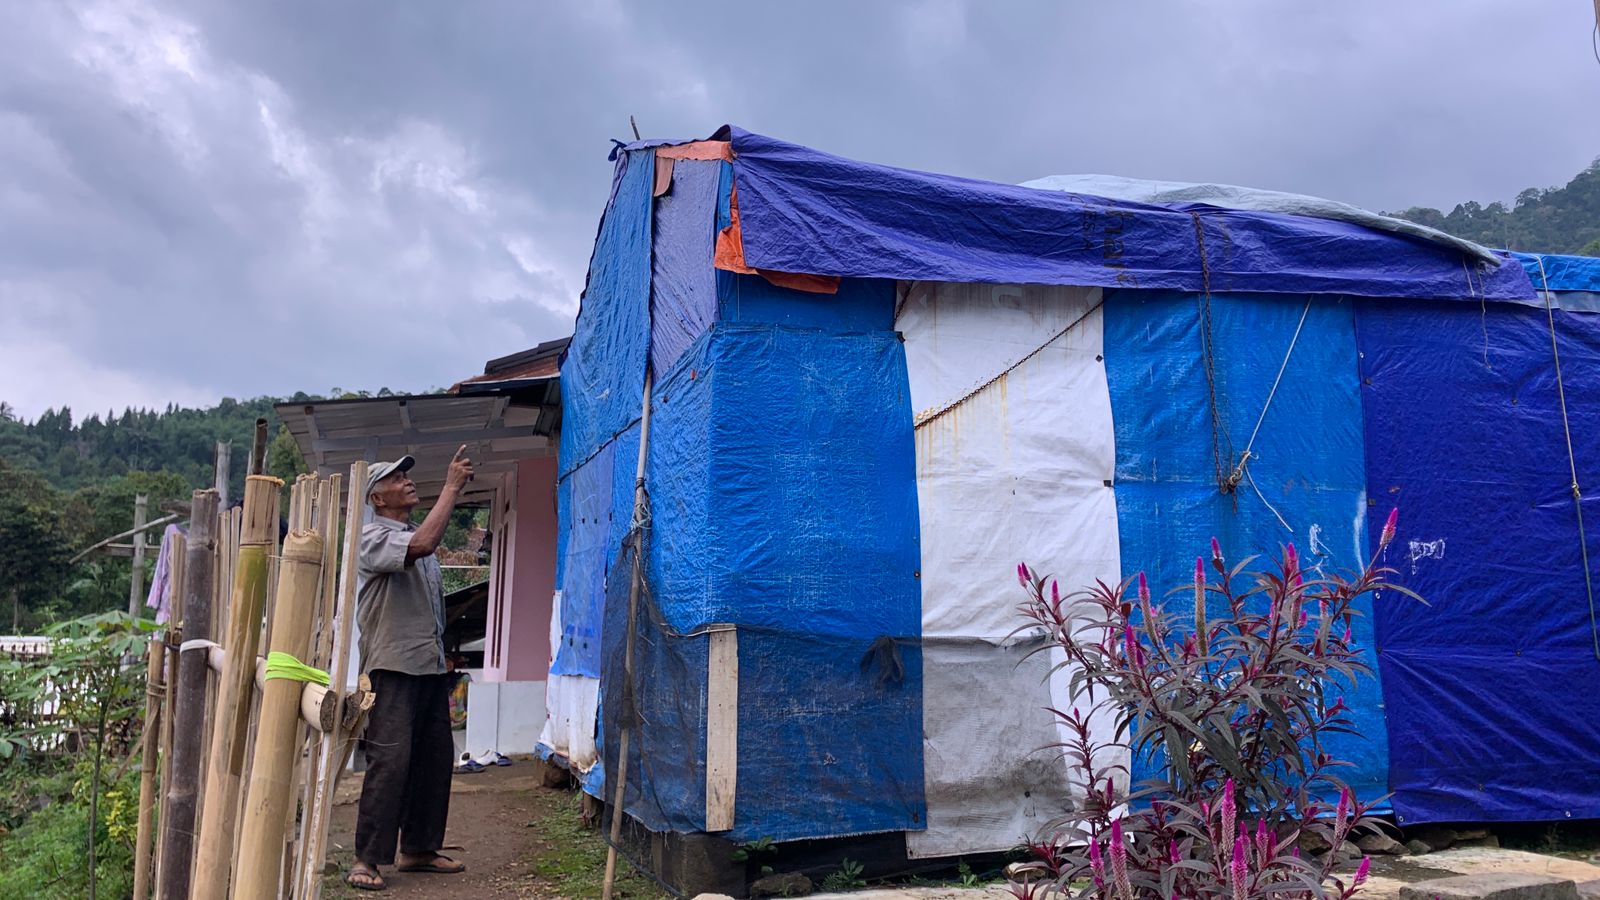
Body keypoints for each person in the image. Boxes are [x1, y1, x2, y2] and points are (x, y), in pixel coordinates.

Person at [346, 447, 474, 891]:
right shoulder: (372, 538)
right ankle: (367, 858)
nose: (408, 481)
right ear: (377, 499)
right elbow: (422, 546)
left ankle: (418, 848)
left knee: (434, 760)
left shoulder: (416, 532)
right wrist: (452, 488)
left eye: (407, 476)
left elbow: (427, 602)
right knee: (391, 761)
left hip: (428, 667)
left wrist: (443, 654)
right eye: (397, 479)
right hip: (392, 666)